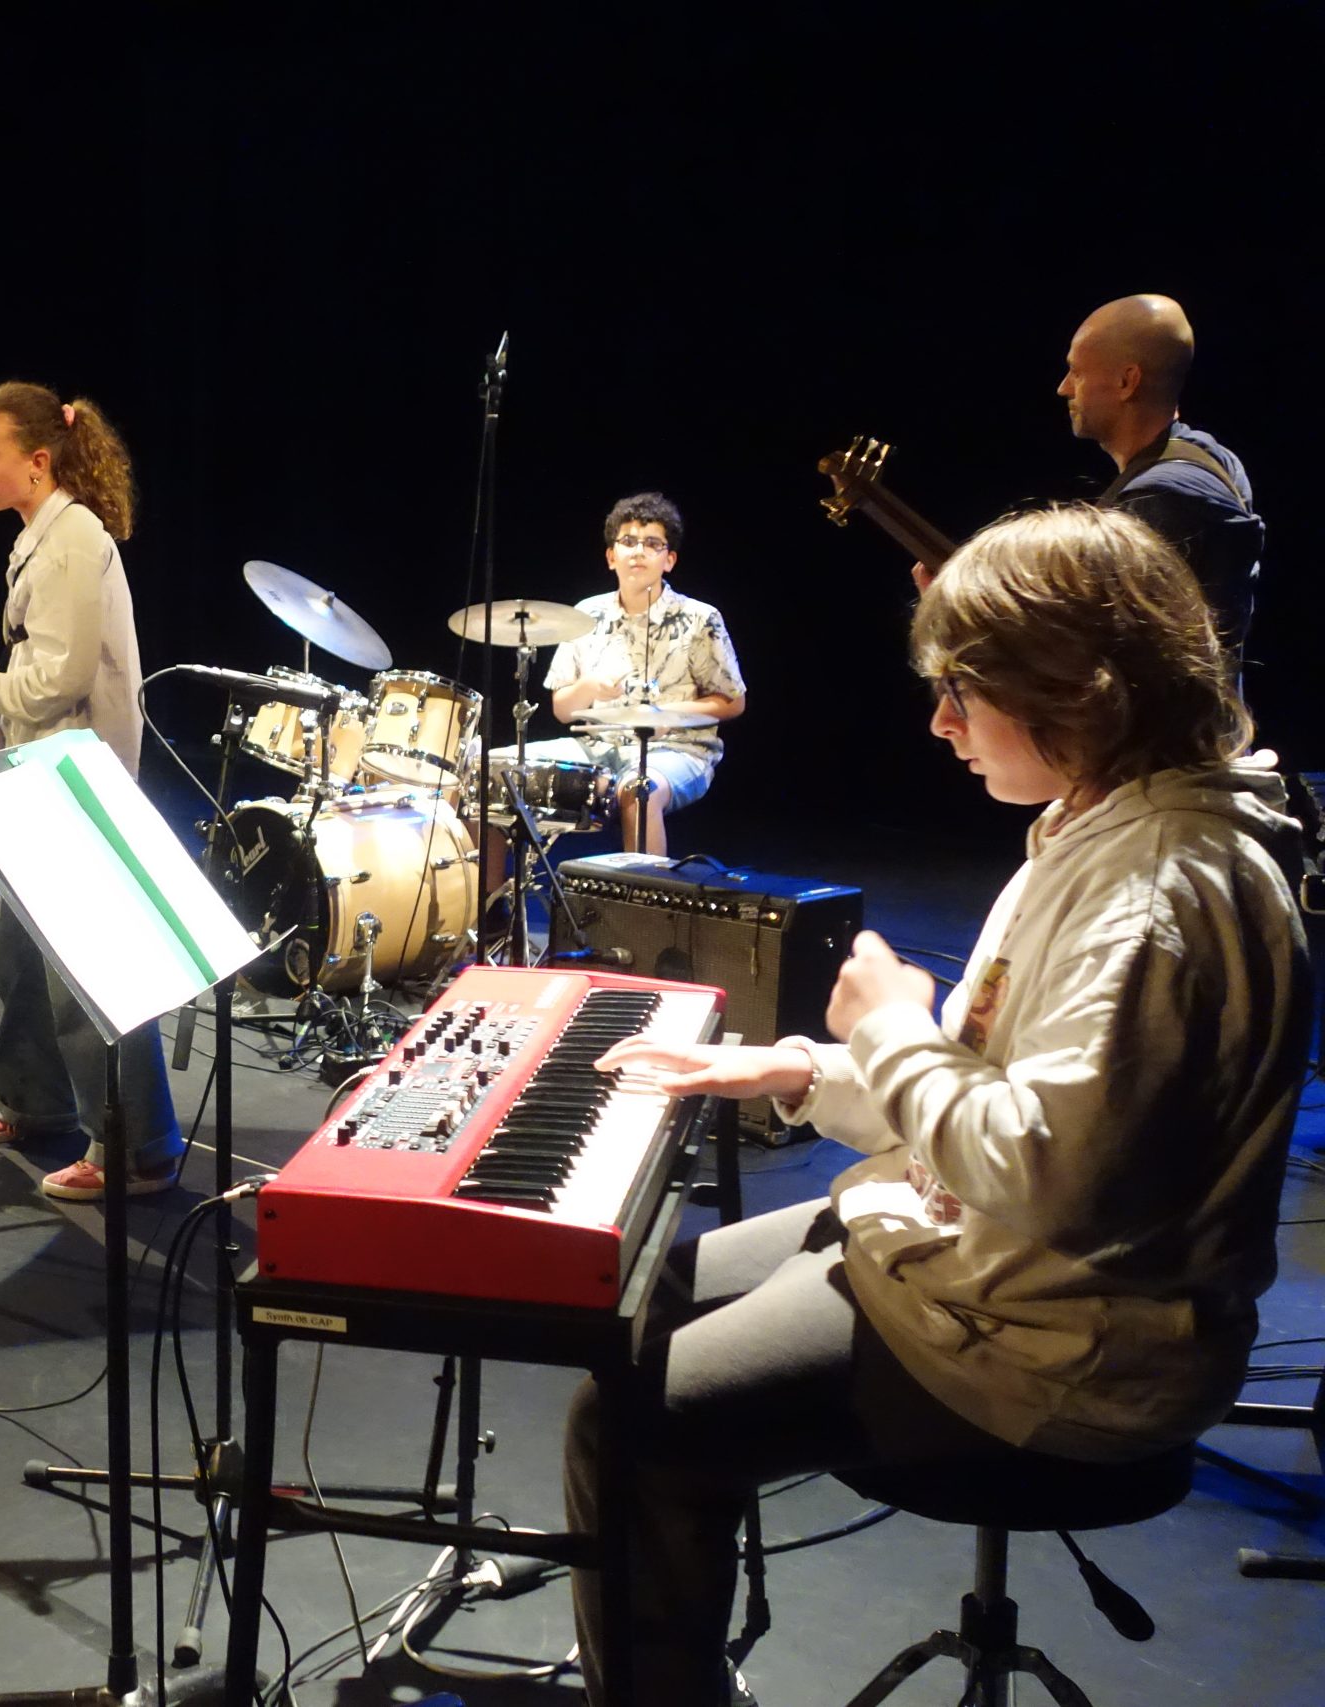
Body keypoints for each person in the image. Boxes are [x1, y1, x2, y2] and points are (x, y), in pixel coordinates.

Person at [561, 505, 1312, 1707]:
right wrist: (800, 1071)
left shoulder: (1153, 898)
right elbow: (994, 1082)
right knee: (640, 1295)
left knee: (625, 1423)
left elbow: (1043, 1171)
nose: (939, 722)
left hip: (1052, 1349)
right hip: (983, 1262)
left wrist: (889, 1029)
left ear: (1076, 687)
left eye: (963, 690)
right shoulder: (1096, 826)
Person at [0, 382, 184, 1201]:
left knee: (88, 979)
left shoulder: (72, 539)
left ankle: (139, 1148)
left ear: (38, 462)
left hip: (76, 780)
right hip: (42, 773)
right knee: (16, 955)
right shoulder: (42, 534)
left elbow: (61, 678)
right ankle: (36, 1103)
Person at [523, 492, 745, 857]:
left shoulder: (700, 618)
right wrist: (589, 687)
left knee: (638, 788)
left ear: (669, 560)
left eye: (652, 543)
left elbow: (733, 702)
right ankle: (490, 893)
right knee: (498, 773)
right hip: (597, 749)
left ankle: (645, 893)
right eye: (628, 541)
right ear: (612, 556)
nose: (638, 551)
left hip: (679, 751)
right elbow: (562, 710)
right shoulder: (586, 614)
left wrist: (668, 715)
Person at [1055, 293, 1264, 655]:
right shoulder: (1216, 459)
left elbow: (1102, 654)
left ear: (1127, 382)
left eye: (1077, 373)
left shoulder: (1159, 504)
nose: (1064, 388)